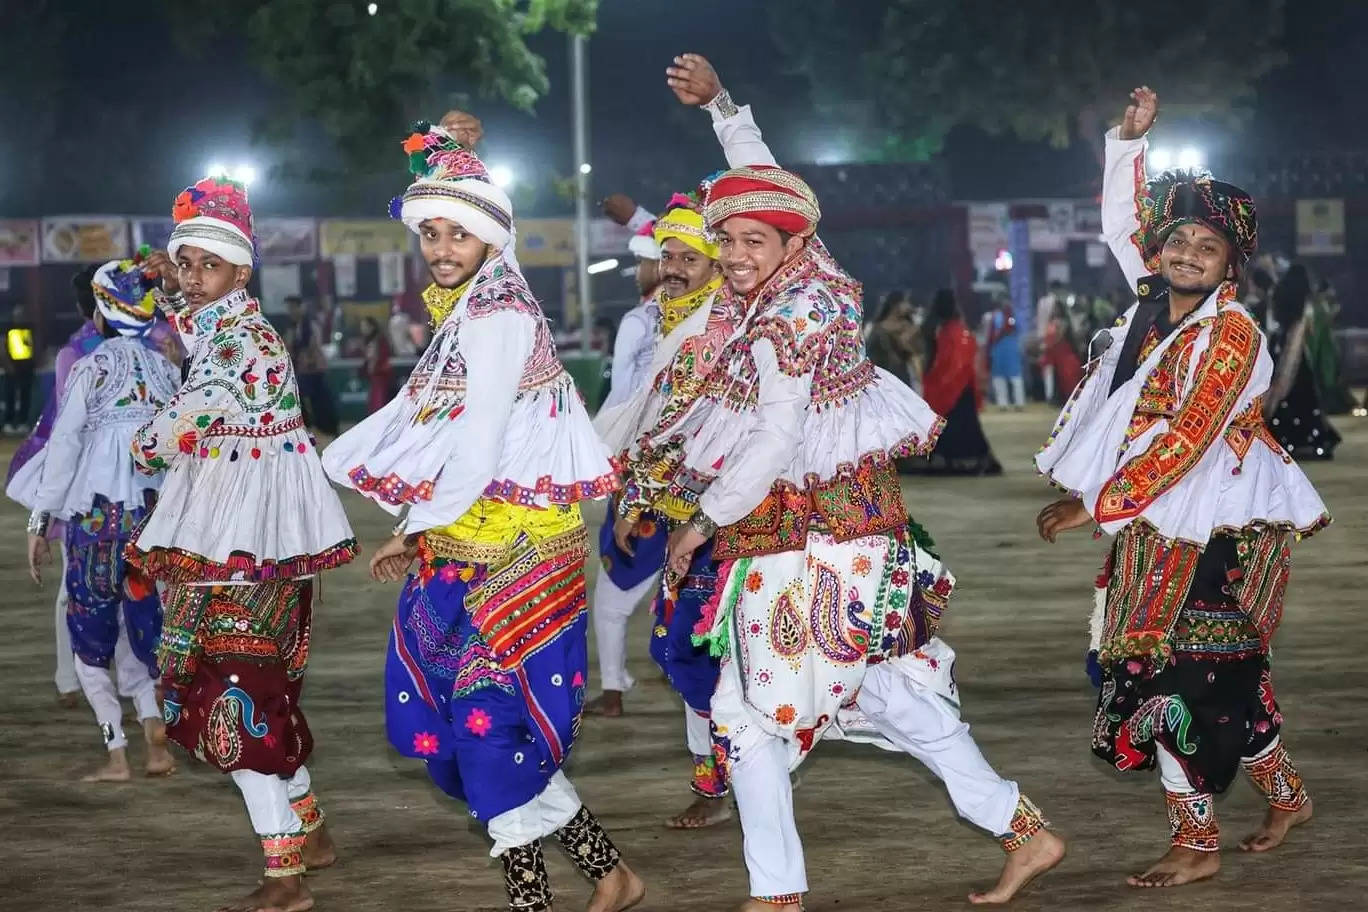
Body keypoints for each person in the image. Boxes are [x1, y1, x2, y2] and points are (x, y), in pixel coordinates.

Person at [642, 53, 1063, 910]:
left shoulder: (789, 315)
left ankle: (776, 895)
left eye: (750, 241)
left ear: (791, 243)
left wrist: (699, 522)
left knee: (748, 715)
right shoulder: (799, 260)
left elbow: (774, 438)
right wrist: (721, 103)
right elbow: (760, 173)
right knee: (887, 694)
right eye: (725, 239)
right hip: (836, 532)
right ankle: (1026, 831)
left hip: (815, 540)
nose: (733, 255)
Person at [321, 122, 644, 912]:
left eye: (457, 232)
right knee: (479, 728)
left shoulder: (497, 314)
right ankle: (612, 875)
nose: (439, 246)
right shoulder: (476, 300)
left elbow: (479, 445)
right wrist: (446, 154)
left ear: (489, 240)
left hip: (522, 550)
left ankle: (532, 902)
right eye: (429, 231)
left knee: (485, 726)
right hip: (471, 542)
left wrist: (412, 525)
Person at [1036, 87, 1327, 890]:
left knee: (1174, 680)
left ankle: (1196, 844)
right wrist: (1129, 147)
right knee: (1221, 677)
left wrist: (1093, 504)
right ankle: (1287, 799)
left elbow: (1188, 441)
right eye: (1179, 239)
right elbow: (1118, 227)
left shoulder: (1233, 336)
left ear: (1234, 265)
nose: (1189, 251)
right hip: (1157, 519)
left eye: (1209, 245)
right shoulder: (1152, 307)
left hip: (1219, 526)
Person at [129, 176, 357, 912]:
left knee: (235, 698)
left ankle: (284, 876)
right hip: (254, 540)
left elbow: (163, 437)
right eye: (186, 262)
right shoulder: (236, 324)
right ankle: (309, 836)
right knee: (261, 691)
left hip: (239, 548)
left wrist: (140, 440)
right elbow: (198, 329)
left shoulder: (239, 346)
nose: (193, 277)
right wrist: (174, 289)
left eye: (207, 265)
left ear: (242, 271)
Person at [8, 258, 181, 782]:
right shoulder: (167, 370)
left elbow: (62, 449)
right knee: (142, 631)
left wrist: (40, 523)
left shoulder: (89, 367)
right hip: (151, 526)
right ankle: (156, 739)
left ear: (100, 314)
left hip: (93, 524)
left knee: (89, 638)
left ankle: (116, 752)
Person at [593, 188, 731, 829]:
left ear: (718, 265)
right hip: (682, 516)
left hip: (733, 519)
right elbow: (657, 424)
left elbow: (683, 431)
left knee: (698, 650)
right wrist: (637, 502)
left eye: (689, 259)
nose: (672, 268)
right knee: (686, 649)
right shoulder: (668, 321)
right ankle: (717, 780)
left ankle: (732, 775)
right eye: (666, 256)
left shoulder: (718, 328)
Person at [9, 265, 103, 706]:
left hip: (93, 486)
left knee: (83, 584)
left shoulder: (79, 352)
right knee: (78, 583)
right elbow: (68, 435)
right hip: (95, 485)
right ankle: (74, 676)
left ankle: (81, 677)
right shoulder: (80, 354)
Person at [917, 289, 1003, 475]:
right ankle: (971, 461)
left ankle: (949, 462)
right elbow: (962, 360)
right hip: (963, 388)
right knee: (966, 427)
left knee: (952, 428)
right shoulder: (957, 329)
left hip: (953, 388)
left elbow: (943, 361)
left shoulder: (938, 328)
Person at [1263, 265, 1340, 459]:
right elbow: (1306, 328)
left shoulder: (1279, 293)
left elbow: (1274, 324)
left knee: (1284, 395)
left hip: (1281, 345)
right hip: (1298, 351)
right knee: (1304, 397)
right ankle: (1308, 439)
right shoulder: (1304, 300)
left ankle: (1284, 436)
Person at [287, 295, 339, 437]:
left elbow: (314, 345)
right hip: (303, 369)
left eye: (293, 308)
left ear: (301, 308)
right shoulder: (295, 327)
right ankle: (312, 426)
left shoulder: (310, 325)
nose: (291, 312)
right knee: (303, 398)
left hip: (314, 369)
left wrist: (308, 359)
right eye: (289, 308)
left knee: (318, 400)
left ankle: (324, 427)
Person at [1038, 297, 1084, 403]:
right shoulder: (1050, 322)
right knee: (1051, 375)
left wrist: (1049, 344)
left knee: (1067, 375)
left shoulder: (1064, 322)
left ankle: (1069, 396)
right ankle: (1052, 397)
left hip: (1062, 351)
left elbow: (1060, 336)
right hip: (1052, 352)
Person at [985, 298, 1024, 409]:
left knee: (1015, 377)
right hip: (998, 350)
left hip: (1011, 349)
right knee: (999, 377)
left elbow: (1017, 329)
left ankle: (1019, 403)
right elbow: (991, 334)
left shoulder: (1015, 316)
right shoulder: (995, 317)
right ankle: (1003, 404)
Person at [4, 302, 37, 433]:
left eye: (22, 314)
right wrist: (7, 365)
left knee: (25, 395)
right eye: (17, 314)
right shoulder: (7, 329)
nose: (20, 317)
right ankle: (9, 422)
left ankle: (23, 421)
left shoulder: (30, 328)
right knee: (10, 395)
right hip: (12, 367)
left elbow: (34, 345)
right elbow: (3, 347)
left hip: (27, 367)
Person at [1036, 280, 1065, 401]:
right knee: (1059, 368)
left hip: (1044, 336)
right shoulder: (1058, 301)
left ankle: (1049, 394)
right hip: (1056, 338)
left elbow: (1039, 319)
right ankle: (1055, 394)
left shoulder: (1042, 302)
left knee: (1047, 368)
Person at [358, 315, 393, 414]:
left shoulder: (377, 341)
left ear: (372, 327)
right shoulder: (372, 341)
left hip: (380, 376)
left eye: (365, 326)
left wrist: (372, 367)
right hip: (377, 376)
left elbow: (376, 359)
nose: (363, 329)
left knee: (379, 403)